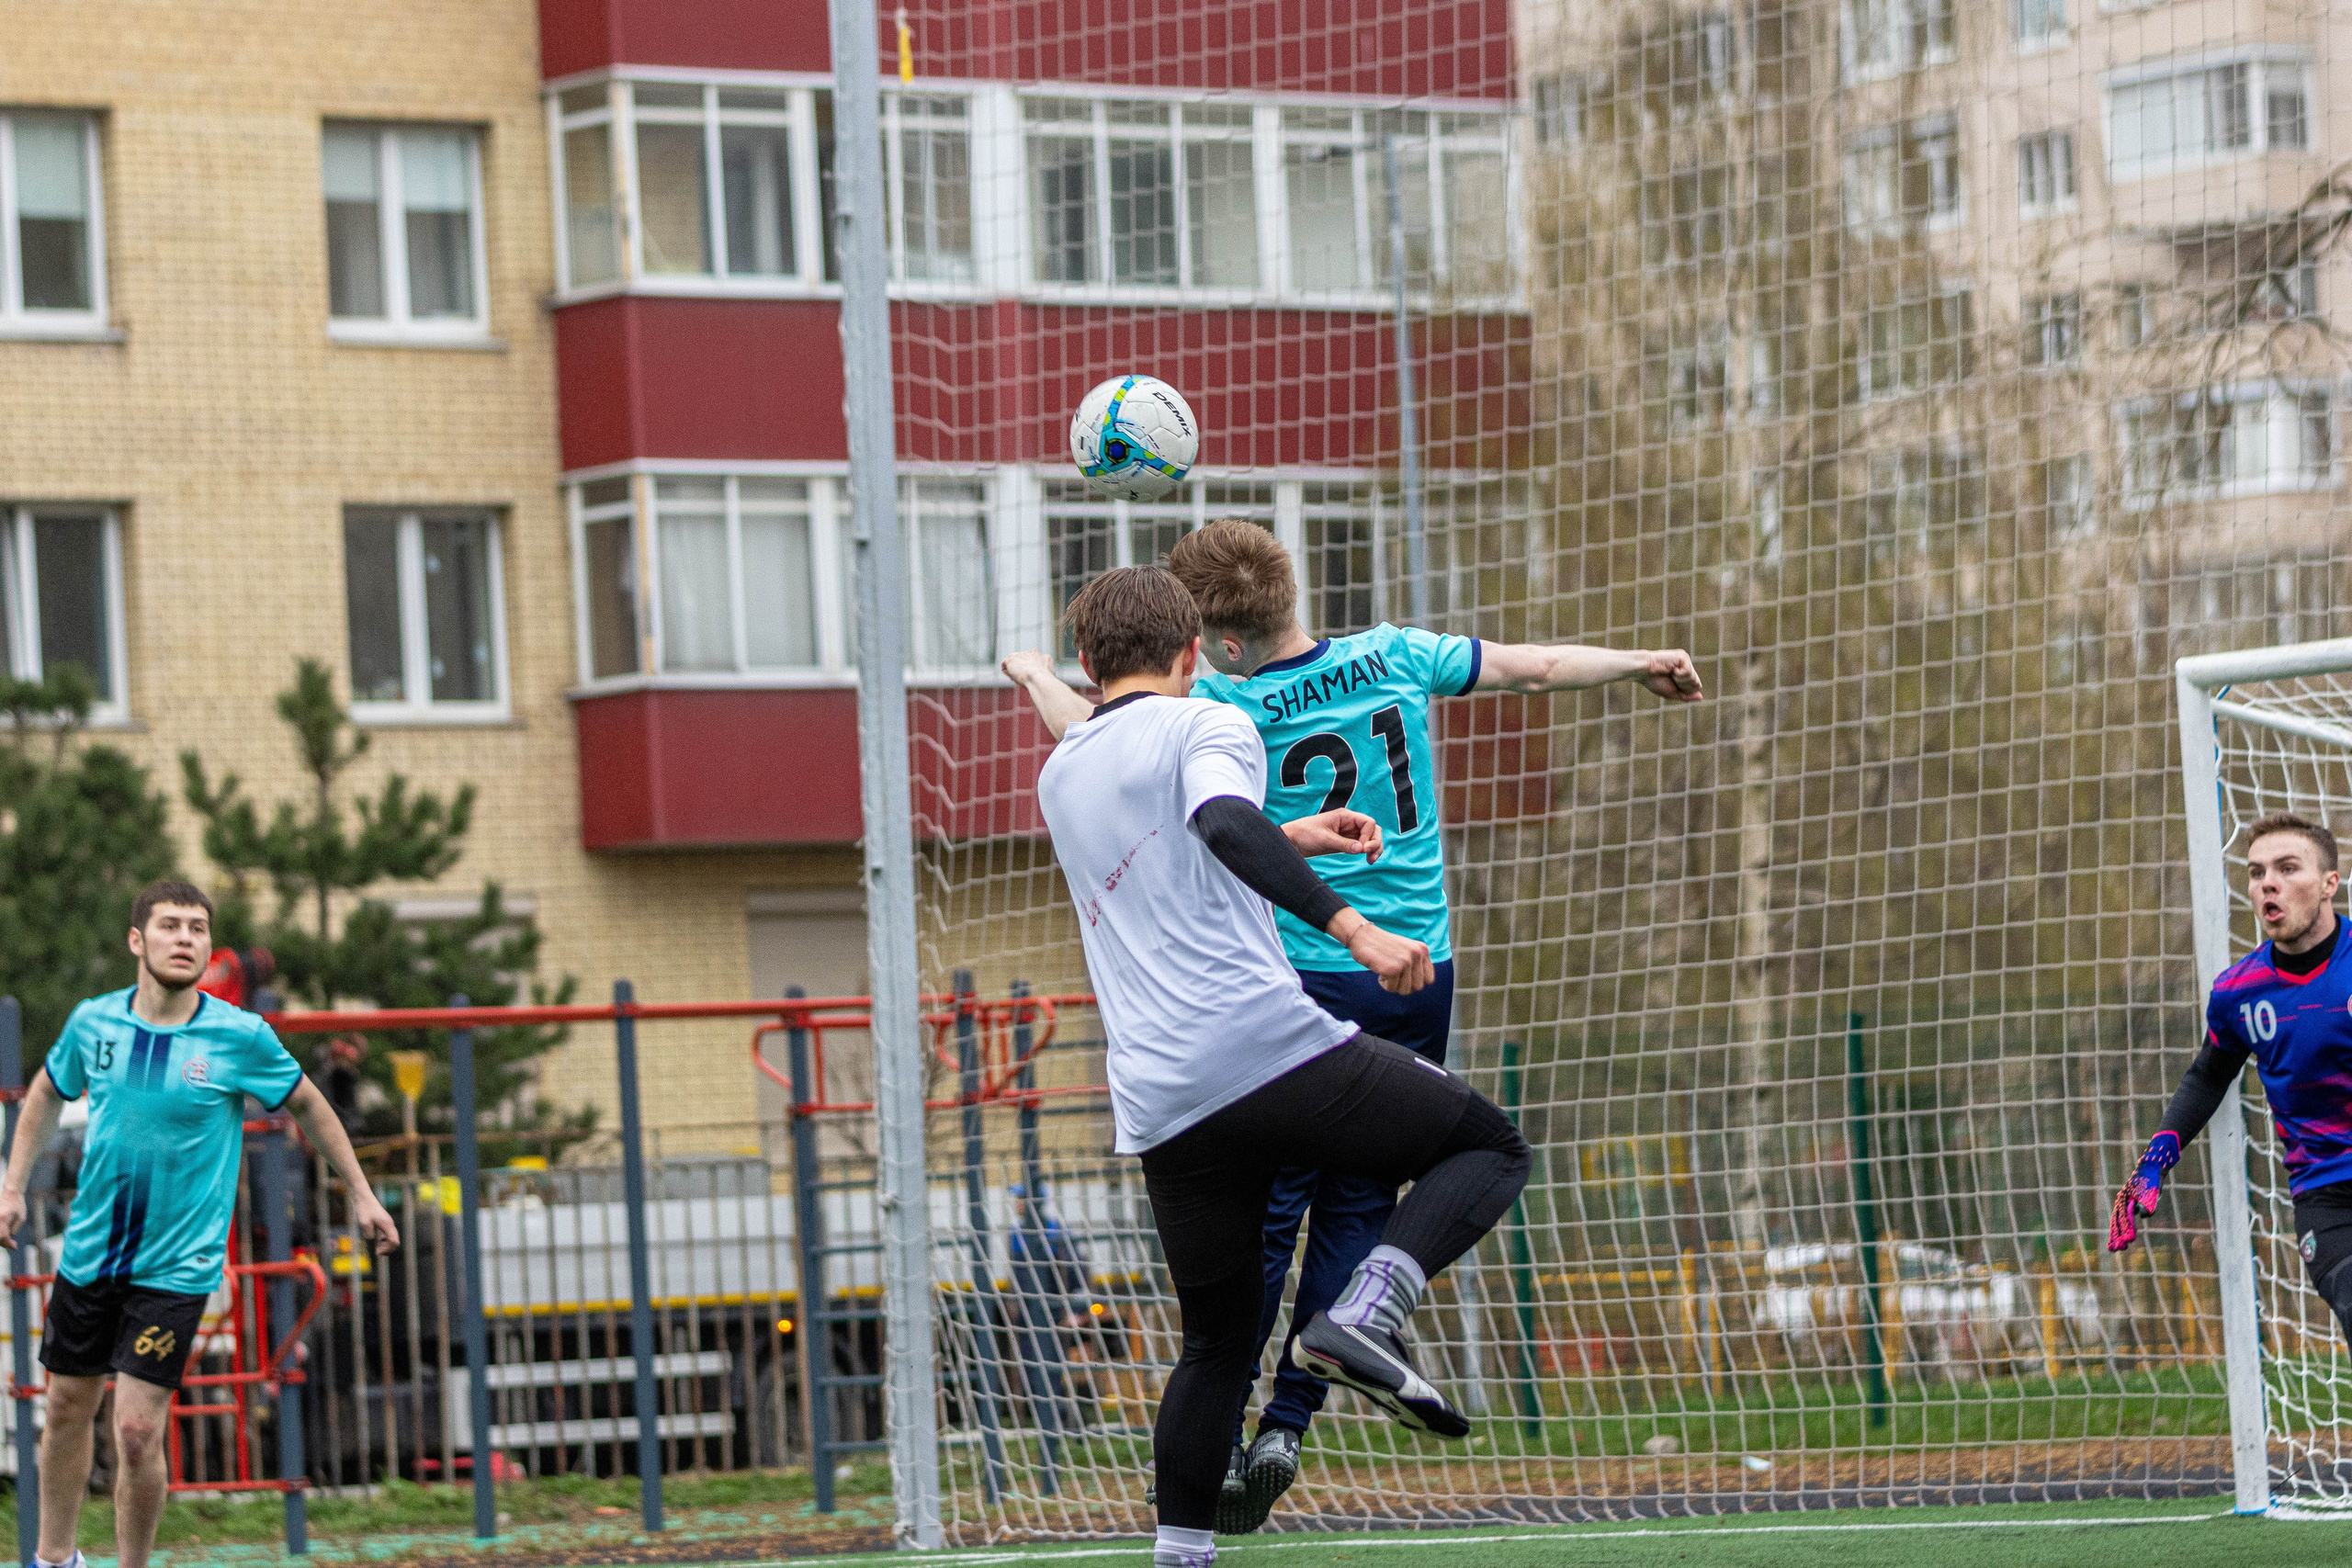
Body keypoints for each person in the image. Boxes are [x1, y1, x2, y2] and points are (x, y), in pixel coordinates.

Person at [1004, 519, 1702, 1525]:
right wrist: (1640, 661)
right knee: (1366, 1199)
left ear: (1215, 646)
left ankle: (1225, 1448)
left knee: (1262, 1226)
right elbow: (1533, 665)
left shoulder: (1222, 701)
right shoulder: (1394, 654)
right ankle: (1296, 1415)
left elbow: (1103, 735)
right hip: (1415, 967)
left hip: (1297, 976)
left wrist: (1034, 673)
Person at [1033, 565, 1532, 1568]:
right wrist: (1354, 929)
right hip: (1265, 1049)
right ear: (1191, 656)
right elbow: (1218, 823)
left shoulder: (1063, 770)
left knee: (1216, 1344)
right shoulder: (1208, 726)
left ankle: (1181, 1556)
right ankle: (1362, 1312)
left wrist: (1292, 832)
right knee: (1488, 1147)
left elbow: (1181, 851)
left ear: (1086, 664)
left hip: (1165, 1100)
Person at [0, 881, 399, 1568]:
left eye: (197, 928)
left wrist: (361, 1193)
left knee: (131, 1430)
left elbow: (307, 1102)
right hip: (91, 1256)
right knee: (66, 1408)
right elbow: (43, 1090)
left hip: (175, 1270)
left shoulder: (238, 1034)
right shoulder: (94, 1023)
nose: (185, 937)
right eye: (170, 925)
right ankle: (54, 1559)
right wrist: (11, 1186)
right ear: (137, 940)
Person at [2109, 813, 2352, 1341]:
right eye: (2257, 871)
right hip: (2327, 1198)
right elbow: (2206, 1077)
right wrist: (2153, 1163)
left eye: (2288, 868)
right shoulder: (2238, 993)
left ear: (2330, 883)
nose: (2269, 882)